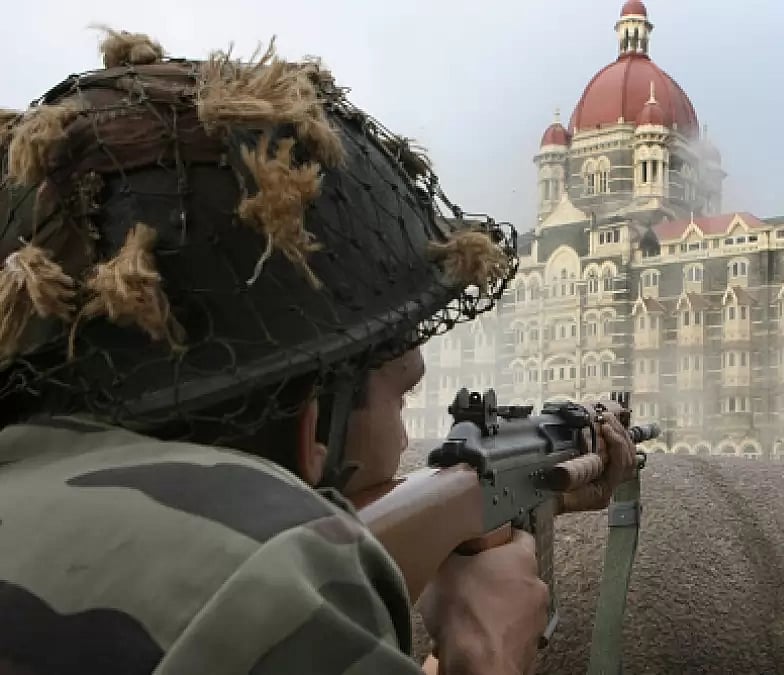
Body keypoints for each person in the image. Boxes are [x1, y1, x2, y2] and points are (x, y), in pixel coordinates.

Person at [0, 29, 635, 675]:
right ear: (314, 429)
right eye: (402, 394)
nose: (405, 428)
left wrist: (532, 493)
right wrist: (490, 657)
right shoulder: (266, 589)